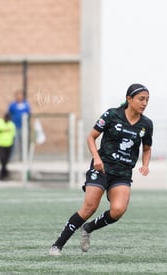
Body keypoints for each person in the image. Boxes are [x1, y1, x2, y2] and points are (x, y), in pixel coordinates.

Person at [49, 83, 153, 256]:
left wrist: (145, 164)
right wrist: (96, 158)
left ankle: (89, 227)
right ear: (129, 99)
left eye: (147, 100)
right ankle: (57, 245)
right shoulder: (112, 114)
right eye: (141, 99)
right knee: (89, 208)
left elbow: (147, 148)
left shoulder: (146, 124)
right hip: (102, 168)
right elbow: (91, 137)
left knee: (118, 210)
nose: (144, 103)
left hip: (123, 173)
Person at [0, 113, 16, 180]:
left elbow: (13, 135)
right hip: (0, 144)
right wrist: (2, 131)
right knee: (2, 158)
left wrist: (12, 143)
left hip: (9, 144)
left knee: (6, 159)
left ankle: (4, 172)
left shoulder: (11, 124)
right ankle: (3, 173)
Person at [8, 90, 31, 161]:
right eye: (17, 96)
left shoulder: (26, 105)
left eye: (20, 95)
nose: (19, 97)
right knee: (14, 143)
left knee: (23, 143)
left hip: (23, 127)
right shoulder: (12, 105)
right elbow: (9, 114)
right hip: (14, 127)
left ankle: (23, 158)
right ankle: (11, 158)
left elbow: (29, 114)